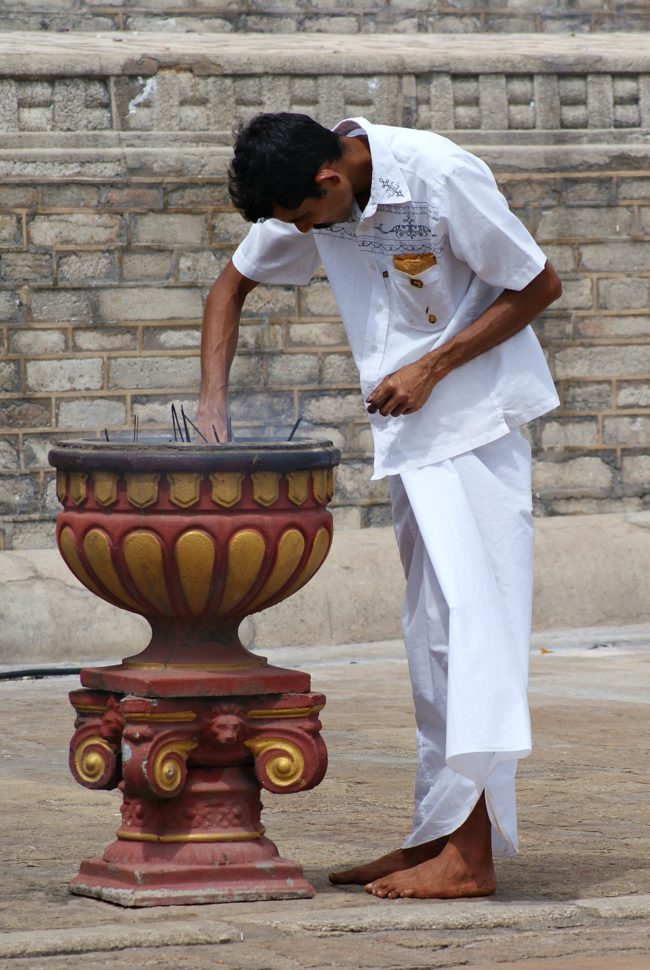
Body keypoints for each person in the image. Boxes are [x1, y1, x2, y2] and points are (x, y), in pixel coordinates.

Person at [198, 112, 562, 900]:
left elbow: (537, 283)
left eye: (303, 219)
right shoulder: (320, 195)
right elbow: (230, 284)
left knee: (475, 630)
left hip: (476, 427)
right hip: (410, 442)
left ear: (329, 180)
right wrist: (212, 410)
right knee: (429, 635)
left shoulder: (438, 176)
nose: (302, 234)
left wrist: (433, 368)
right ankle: (436, 835)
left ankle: (472, 858)